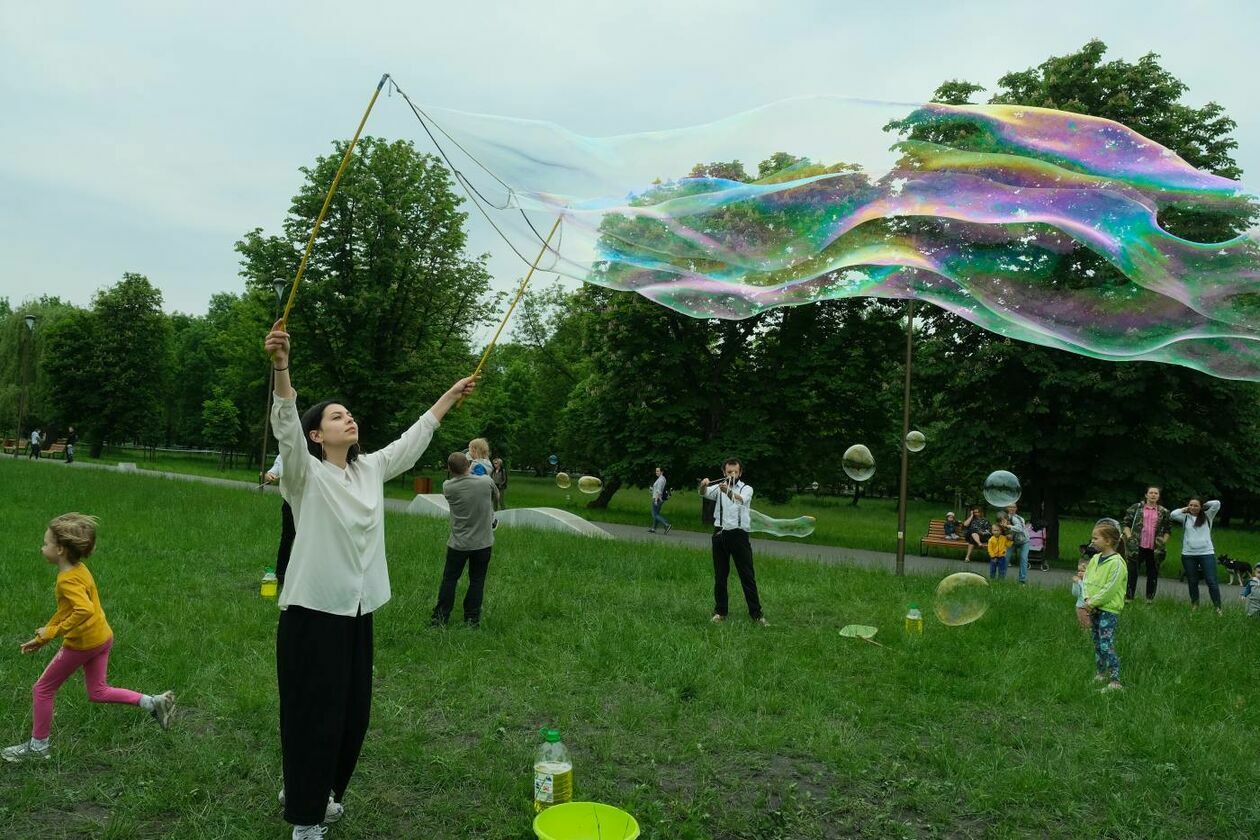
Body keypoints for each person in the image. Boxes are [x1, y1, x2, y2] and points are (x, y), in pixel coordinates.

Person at [265, 319, 475, 839]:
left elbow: (415, 436)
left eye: (349, 414)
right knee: (313, 715)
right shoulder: (303, 473)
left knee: (352, 714)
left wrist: (449, 395)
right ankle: (306, 818)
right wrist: (282, 368)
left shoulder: (369, 470)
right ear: (318, 435)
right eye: (336, 417)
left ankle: (324, 793)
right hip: (312, 614)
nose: (348, 419)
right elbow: (286, 426)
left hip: (357, 612)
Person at [2, 513, 175, 763]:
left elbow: (83, 610)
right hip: (101, 637)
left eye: (46, 543)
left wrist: (52, 632)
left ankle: (39, 747)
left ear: (60, 549)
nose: (42, 547)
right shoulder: (79, 570)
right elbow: (67, 610)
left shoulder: (66, 579)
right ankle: (153, 703)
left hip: (82, 644)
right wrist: (44, 637)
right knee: (98, 691)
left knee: (42, 689)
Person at [430, 452, 498, 627]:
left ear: (449, 469)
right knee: (477, 580)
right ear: (468, 465)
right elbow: (495, 497)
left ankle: (440, 618)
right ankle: (472, 619)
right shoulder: (485, 482)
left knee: (450, 579)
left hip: (459, 543)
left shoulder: (448, 487)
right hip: (483, 543)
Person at [700, 458, 766, 626]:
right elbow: (703, 493)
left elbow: (741, 499)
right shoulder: (719, 486)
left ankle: (756, 614)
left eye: (735, 472)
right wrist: (703, 484)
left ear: (740, 472)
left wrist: (728, 491)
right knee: (720, 575)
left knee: (747, 575)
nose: (732, 474)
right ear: (724, 472)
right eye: (729, 472)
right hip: (719, 534)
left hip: (739, 535)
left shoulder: (747, 488)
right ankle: (720, 612)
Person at [1081, 519, 1128, 692]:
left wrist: (1093, 602)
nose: (1092, 541)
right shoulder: (1094, 558)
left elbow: (1111, 587)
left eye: (1095, 538)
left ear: (1108, 541)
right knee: (1097, 641)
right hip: (1092, 607)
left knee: (1106, 643)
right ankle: (1101, 673)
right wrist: (1087, 598)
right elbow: (1086, 579)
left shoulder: (1117, 563)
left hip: (1108, 609)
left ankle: (1115, 680)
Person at [1171, 498, 1223, 614]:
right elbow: (1173, 514)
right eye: (1191, 505)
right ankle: (1195, 605)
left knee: (1211, 581)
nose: (1193, 508)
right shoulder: (1185, 517)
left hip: (1206, 553)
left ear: (1200, 507)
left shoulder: (1208, 516)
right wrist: (1185, 509)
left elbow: (1217, 504)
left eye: (1196, 506)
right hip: (1188, 554)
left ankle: (1218, 607)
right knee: (1192, 581)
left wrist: (1204, 505)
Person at [1121, 486, 1172, 603]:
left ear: (1158, 496)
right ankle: (1128, 598)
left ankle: (1149, 599)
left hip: (1154, 548)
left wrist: (1163, 542)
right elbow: (1126, 524)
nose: (1153, 495)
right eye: (1151, 493)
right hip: (1136, 546)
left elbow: (1168, 530)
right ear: (1146, 495)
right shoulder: (1136, 508)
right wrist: (1129, 537)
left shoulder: (1164, 512)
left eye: (1156, 493)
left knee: (1153, 573)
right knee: (1132, 572)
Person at [261, 453, 296, 588]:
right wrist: (269, 476)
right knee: (287, 537)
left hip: (307, 503)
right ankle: (281, 575)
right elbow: (272, 472)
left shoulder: (310, 453)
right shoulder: (282, 456)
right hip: (289, 502)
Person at [1003, 503, 1032, 583]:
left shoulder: (1018, 518)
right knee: (1005, 558)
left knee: (1023, 558)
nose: (1012, 508)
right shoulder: (1004, 518)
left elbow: (1019, 529)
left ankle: (1022, 580)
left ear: (1016, 509)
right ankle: (1001, 578)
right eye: (1010, 507)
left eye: (1014, 507)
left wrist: (1008, 526)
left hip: (1024, 541)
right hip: (1012, 542)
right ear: (1007, 508)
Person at [648, 466, 672, 534]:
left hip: (657, 499)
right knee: (656, 514)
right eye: (656, 471)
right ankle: (653, 528)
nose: (656, 472)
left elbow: (659, 491)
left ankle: (667, 524)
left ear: (662, 472)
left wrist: (656, 500)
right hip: (658, 498)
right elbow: (658, 489)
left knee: (654, 514)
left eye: (658, 471)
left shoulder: (661, 479)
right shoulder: (661, 479)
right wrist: (652, 489)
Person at [1072, 561, 1090, 630]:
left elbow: (1087, 591)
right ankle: (1085, 639)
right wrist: (1076, 583)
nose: (1079, 573)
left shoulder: (1091, 582)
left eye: (1082, 571)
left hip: (1091, 606)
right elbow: (1075, 594)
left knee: (1090, 626)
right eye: (1078, 571)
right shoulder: (1079, 581)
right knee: (1084, 626)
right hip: (1081, 607)